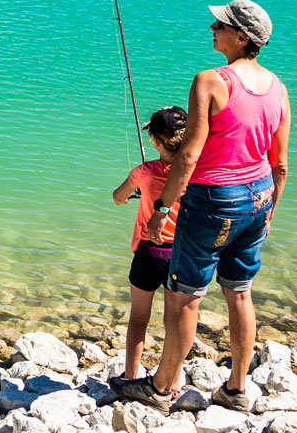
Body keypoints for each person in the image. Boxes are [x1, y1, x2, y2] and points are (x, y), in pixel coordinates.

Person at [119, 0, 290, 414]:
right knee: (240, 293)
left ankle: (159, 389)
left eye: (221, 24)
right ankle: (236, 389)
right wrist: (268, 214)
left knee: (183, 298)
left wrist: (161, 208)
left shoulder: (210, 81)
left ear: (242, 37)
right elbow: (280, 164)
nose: (212, 27)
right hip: (259, 197)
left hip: (215, 199)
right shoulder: (278, 87)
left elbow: (189, 157)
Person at [109, 107, 190, 389]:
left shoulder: (143, 172)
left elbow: (118, 198)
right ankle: (173, 382)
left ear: (155, 142)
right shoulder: (195, 172)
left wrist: (138, 191)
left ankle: (130, 375)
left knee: (139, 318)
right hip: (180, 256)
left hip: (147, 254)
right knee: (175, 323)